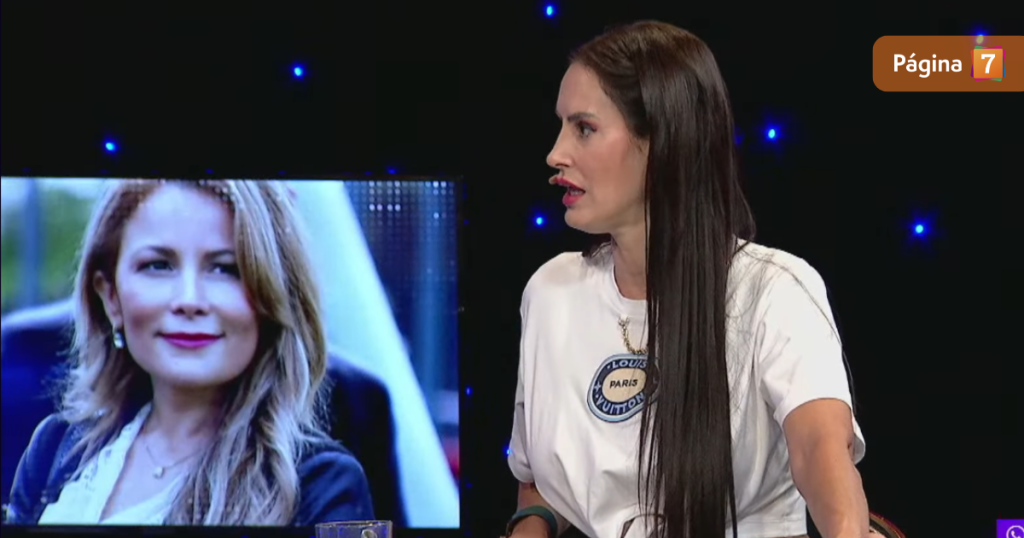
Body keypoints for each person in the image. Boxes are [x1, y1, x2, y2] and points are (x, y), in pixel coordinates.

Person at [505, 21, 875, 538]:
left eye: (584, 128)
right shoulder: (549, 292)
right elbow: (541, 485)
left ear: (662, 141)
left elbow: (820, 451)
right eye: (561, 126)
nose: (555, 153)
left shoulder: (774, 289)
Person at [4, 179, 375, 525]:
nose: (189, 300)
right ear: (111, 297)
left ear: (273, 296)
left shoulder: (329, 484)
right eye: (158, 266)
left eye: (225, 269)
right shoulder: (54, 447)